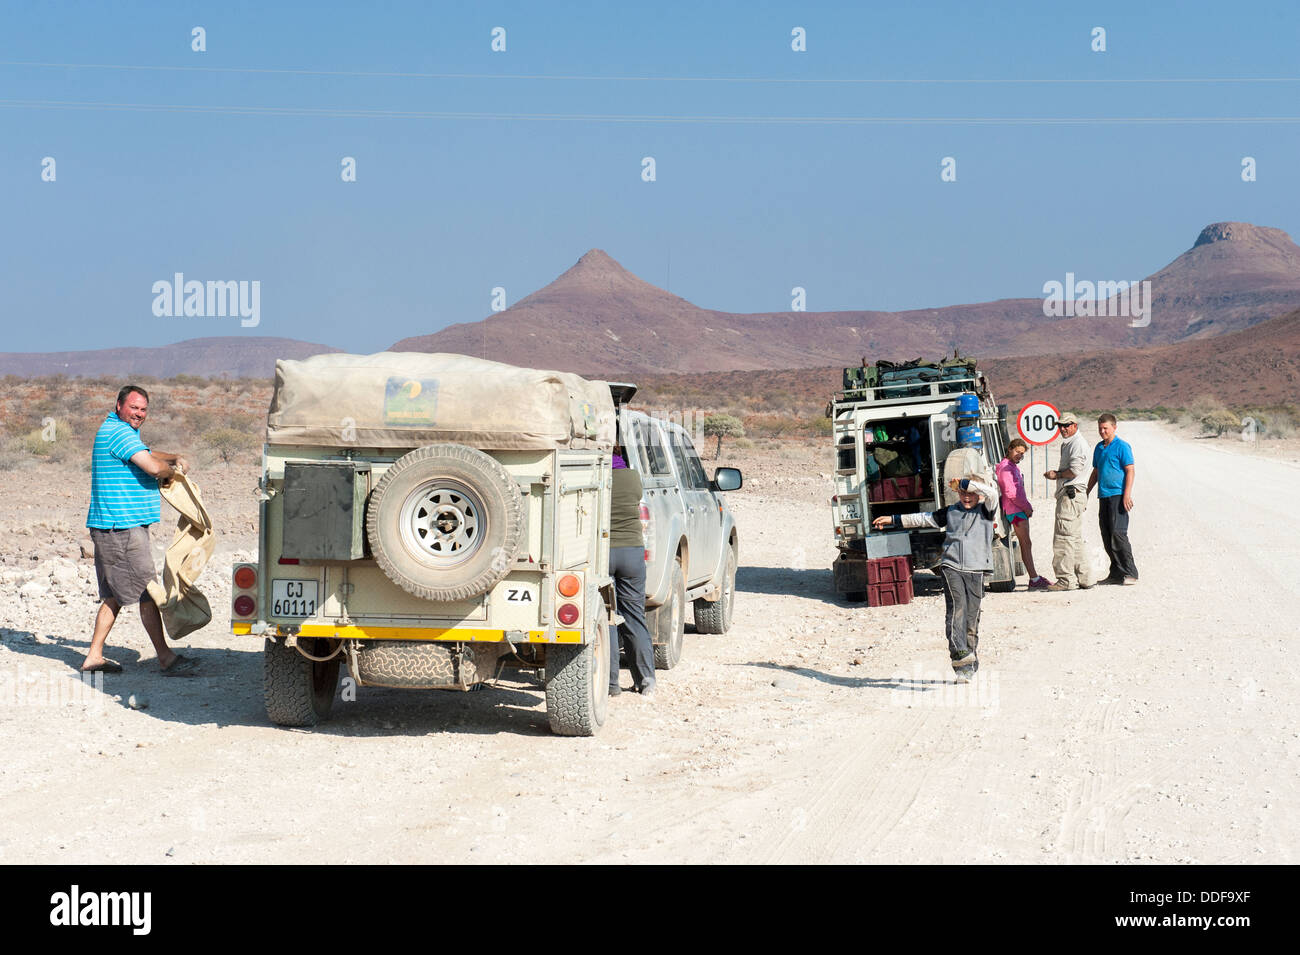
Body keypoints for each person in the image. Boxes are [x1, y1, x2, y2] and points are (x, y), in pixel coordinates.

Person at [81, 385, 197, 675]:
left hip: (114, 527)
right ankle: (165, 657)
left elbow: (145, 452)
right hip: (121, 528)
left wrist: (172, 456)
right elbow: (152, 467)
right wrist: (173, 471)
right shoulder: (118, 432)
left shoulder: (121, 433)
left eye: (143, 409)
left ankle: (94, 656)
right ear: (119, 405)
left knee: (114, 597)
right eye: (134, 407)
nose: (139, 414)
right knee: (148, 590)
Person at [872, 474, 999, 681]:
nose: (967, 497)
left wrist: (969, 483)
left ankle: (970, 659)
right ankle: (959, 655)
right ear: (957, 493)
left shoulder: (986, 510)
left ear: (978, 494)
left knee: (972, 618)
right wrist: (894, 519)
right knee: (957, 608)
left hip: (976, 570)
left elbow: (992, 493)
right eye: (962, 493)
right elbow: (922, 518)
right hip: (951, 566)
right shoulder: (950, 512)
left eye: (971, 493)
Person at [609, 446, 654, 697]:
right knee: (634, 616)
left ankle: (611, 684)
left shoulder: (597, 478)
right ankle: (646, 680)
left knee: (607, 619)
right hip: (632, 553)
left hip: (603, 554)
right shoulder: (633, 477)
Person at [1042, 412, 1093, 592]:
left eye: (1066, 425)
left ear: (1075, 425)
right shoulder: (1072, 443)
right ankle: (1084, 577)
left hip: (1071, 494)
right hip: (1075, 495)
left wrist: (1056, 475)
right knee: (1075, 538)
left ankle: (1066, 580)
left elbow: (1074, 471)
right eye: (1060, 425)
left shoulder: (1077, 444)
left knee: (1063, 538)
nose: (1062, 429)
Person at [1087, 413, 1138, 585]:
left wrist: (1127, 494)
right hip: (1103, 496)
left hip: (1118, 495)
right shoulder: (1099, 448)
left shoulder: (1122, 446)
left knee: (1118, 533)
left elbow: (1130, 470)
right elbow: (1096, 472)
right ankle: (1115, 573)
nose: (1102, 432)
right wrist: (1086, 491)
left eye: (1105, 428)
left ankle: (1130, 572)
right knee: (1107, 535)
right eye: (1100, 428)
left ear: (1114, 428)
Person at [996, 438, 1052, 589]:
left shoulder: (1010, 466)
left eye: (1022, 454)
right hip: (1016, 510)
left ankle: (1035, 577)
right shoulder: (1006, 468)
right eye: (1017, 452)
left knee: (1026, 543)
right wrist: (1026, 506)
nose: (1019, 455)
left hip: (1017, 509)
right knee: (1025, 544)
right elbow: (1011, 492)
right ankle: (1034, 579)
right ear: (1009, 449)